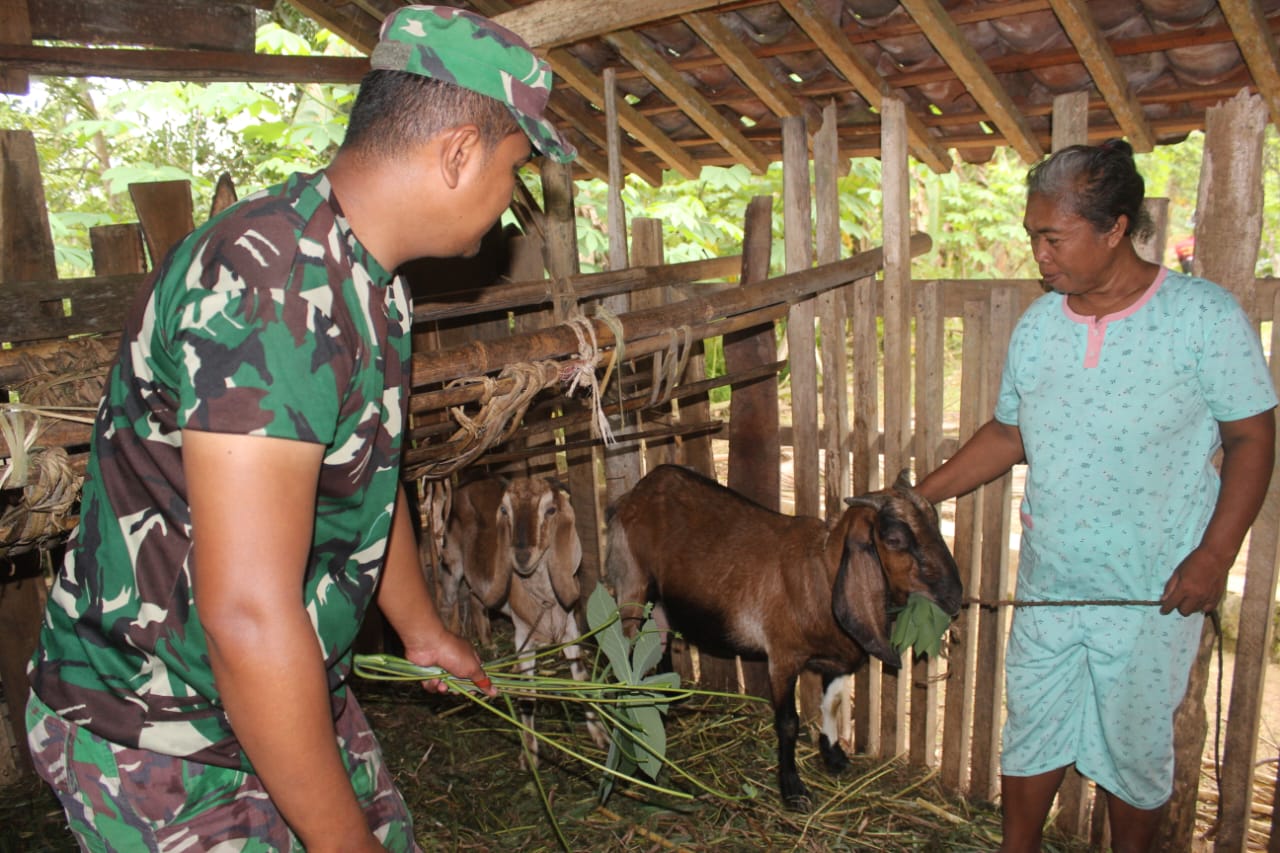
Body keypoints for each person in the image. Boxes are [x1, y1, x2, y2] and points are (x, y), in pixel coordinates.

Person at [24, 6, 575, 851]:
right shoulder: (270, 293)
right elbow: (245, 615)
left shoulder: (367, 277)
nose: (512, 206)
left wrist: (421, 627)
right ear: (459, 152)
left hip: (273, 677)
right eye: (516, 170)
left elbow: (361, 472)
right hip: (156, 720)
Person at [916, 140, 1276, 852]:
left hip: (1151, 592)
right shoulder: (1041, 329)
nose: (1039, 255)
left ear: (1115, 227)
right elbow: (1010, 433)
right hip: (1052, 582)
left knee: (1134, 748)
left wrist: (1214, 555)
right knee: (1033, 728)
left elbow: (1252, 440)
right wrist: (914, 498)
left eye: (1053, 237)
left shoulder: (1201, 317)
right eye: (1033, 237)